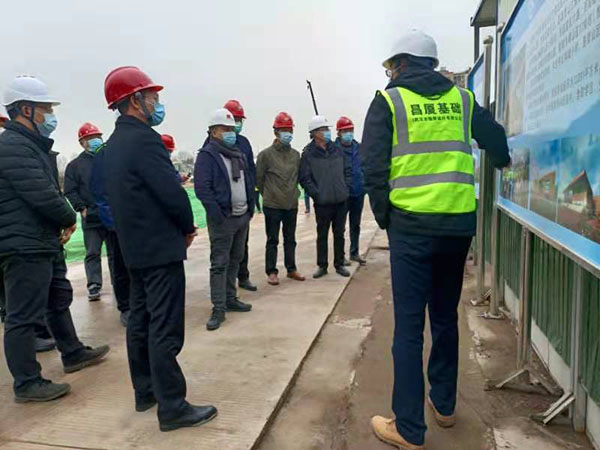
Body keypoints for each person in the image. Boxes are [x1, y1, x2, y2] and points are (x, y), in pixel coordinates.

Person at [362, 30, 511, 449]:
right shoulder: (462, 99)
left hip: (411, 228)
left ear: (401, 63)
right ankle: (443, 405)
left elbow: (373, 167)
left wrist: (386, 218)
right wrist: (502, 161)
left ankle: (409, 429)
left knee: (409, 328)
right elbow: (495, 140)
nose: (390, 73)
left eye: (391, 66)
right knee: (445, 317)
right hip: (456, 227)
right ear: (431, 63)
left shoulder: (388, 101)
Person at [101, 66, 216, 431]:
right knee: (164, 327)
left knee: (140, 320)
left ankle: (146, 391)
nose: (157, 103)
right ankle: (173, 407)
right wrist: (187, 227)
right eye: (153, 97)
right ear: (135, 100)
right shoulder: (145, 140)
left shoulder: (113, 145)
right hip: (160, 248)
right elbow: (171, 193)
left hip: (134, 249)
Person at [0, 75, 110, 403]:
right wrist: (68, 217)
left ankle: (72, 352)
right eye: (46, 108)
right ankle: (27, 383)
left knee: (56, 299)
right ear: (26, 109)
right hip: (22, 244)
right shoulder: (13, 146)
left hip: (41, 239)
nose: (50, 115)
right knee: (23, 315)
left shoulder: (31, 145)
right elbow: (42, 194)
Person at [195, 108, 254, 331]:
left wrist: (249, 210)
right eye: (225, 129)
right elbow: (203, 188)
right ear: (214, 132)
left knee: (235, 260)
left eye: (232, 128)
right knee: (219, 264)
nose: (231, 132)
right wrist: (217, 215)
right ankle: (218, 307)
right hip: (223, 220)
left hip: (241, 217)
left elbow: (248, 181)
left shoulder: (237, 153)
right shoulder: (207, 155)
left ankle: (230, 298)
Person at [299, 115, 352, 279]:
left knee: (339, 233)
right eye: (324, 129)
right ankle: (322, 265)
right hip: (322, 203)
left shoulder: (337, 150)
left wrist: (346, 188)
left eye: (327, 129)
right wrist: (317, 194)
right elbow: (305, 178)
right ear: (315, 133)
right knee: (322, 234)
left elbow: (347, 170)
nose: (328, 132)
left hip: (340, 200)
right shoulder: (308, 154)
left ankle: (339, 263)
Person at [256, 112, 305, 285]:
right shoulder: (265, 155)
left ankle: (291, 269)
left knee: (290, 239)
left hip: (291, 204)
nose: (287, 133)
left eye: (289, 130)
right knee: (272, 240)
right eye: (284, 130)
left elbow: (298, 177)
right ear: (276, 132)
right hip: (273, 205)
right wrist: (270, 195)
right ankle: (271, 271)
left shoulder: (296, 155)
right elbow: (259, 179)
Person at [64, 124, 108, 301]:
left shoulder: (109, 160)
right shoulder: (75, 166)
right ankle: (94, 285)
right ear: (82, 142)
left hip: (111, 214)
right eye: (90, 138)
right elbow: (70, 191)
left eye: (98, 137)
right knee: (92, 252)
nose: (96, 140)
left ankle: (122, 283)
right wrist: (81, 208)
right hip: (91, 216)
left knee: (117, 253)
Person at [223, 99, 258, 292]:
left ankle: (243, 277)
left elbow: (251, 172)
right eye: (234, 119)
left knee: (241, 245)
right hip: (224, 208)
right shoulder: (212, 144)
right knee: (223, 249)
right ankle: (224, 287)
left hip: (243, 204)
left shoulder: (244, 143)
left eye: (239, 120)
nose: (237, 124)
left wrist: (252, 201)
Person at [335, 117, 367, 266]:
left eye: (350, 130)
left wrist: (365, 185)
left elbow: (365, 167)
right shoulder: (334, 150)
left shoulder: (359, 148)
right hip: (342, 194)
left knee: (356, 224)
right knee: (339, 227)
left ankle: (354, 253)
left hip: (358, 192)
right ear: (339, 133)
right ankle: (340, 257)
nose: (348, 133)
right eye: (345, 131)